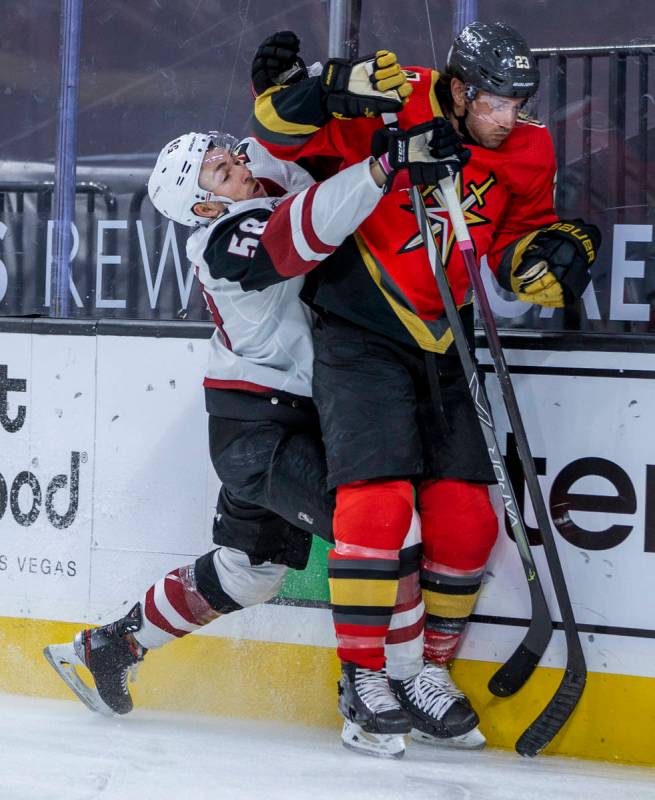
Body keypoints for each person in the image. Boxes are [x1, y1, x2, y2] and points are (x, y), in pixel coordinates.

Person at [44, 113, 478, 759]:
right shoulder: (224, 238)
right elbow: (305, 230)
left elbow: (274, 142)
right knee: (387, 531)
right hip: (262, 432)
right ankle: (393, 682)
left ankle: (109, 645)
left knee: (252, 573)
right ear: (201, 202)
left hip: (283, 417)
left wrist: (319, 96)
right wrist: (384, 167)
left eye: (231, 161)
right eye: (223, 171)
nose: (240, 169)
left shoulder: (252, 191)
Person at [251, 23, 601, 744]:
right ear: (461, 87)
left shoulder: (529, 146)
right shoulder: (392, 97)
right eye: (497, 102)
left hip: (447, 335)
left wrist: (544, 255)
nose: (511, 117)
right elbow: (275, 135)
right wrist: (323, 88)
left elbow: (513, 241)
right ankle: (362, 678)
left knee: (468, 518)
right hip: (357, 327)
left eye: (519, 102)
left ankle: (423, 671)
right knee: (376, 509)